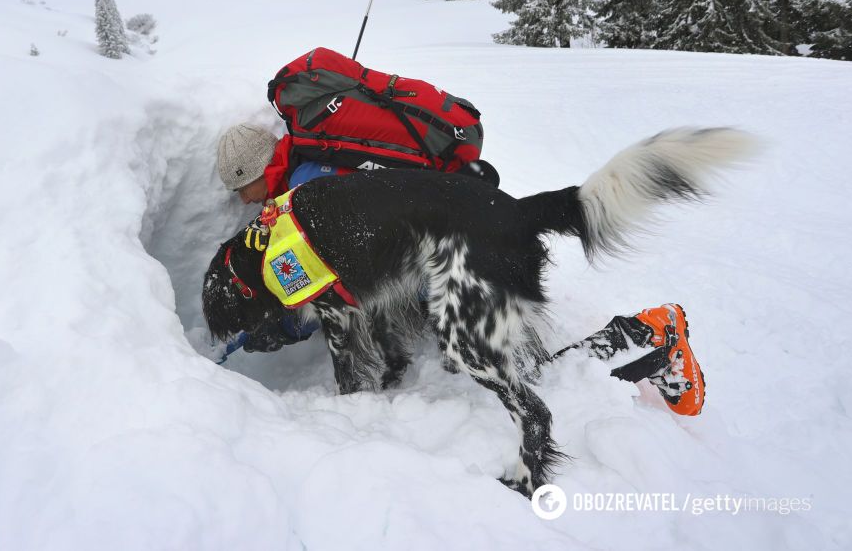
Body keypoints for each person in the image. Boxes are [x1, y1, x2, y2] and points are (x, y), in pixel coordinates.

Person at [214, 124, 705, 416]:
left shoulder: (303, 188)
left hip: (466, 258)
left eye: (241, 187)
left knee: (520, 375)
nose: (241, 200)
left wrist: (276, 327)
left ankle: (649, 337)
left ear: (257, 171)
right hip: (463, 241)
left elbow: (324, 285)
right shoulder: (311, 172)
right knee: (483, 366)